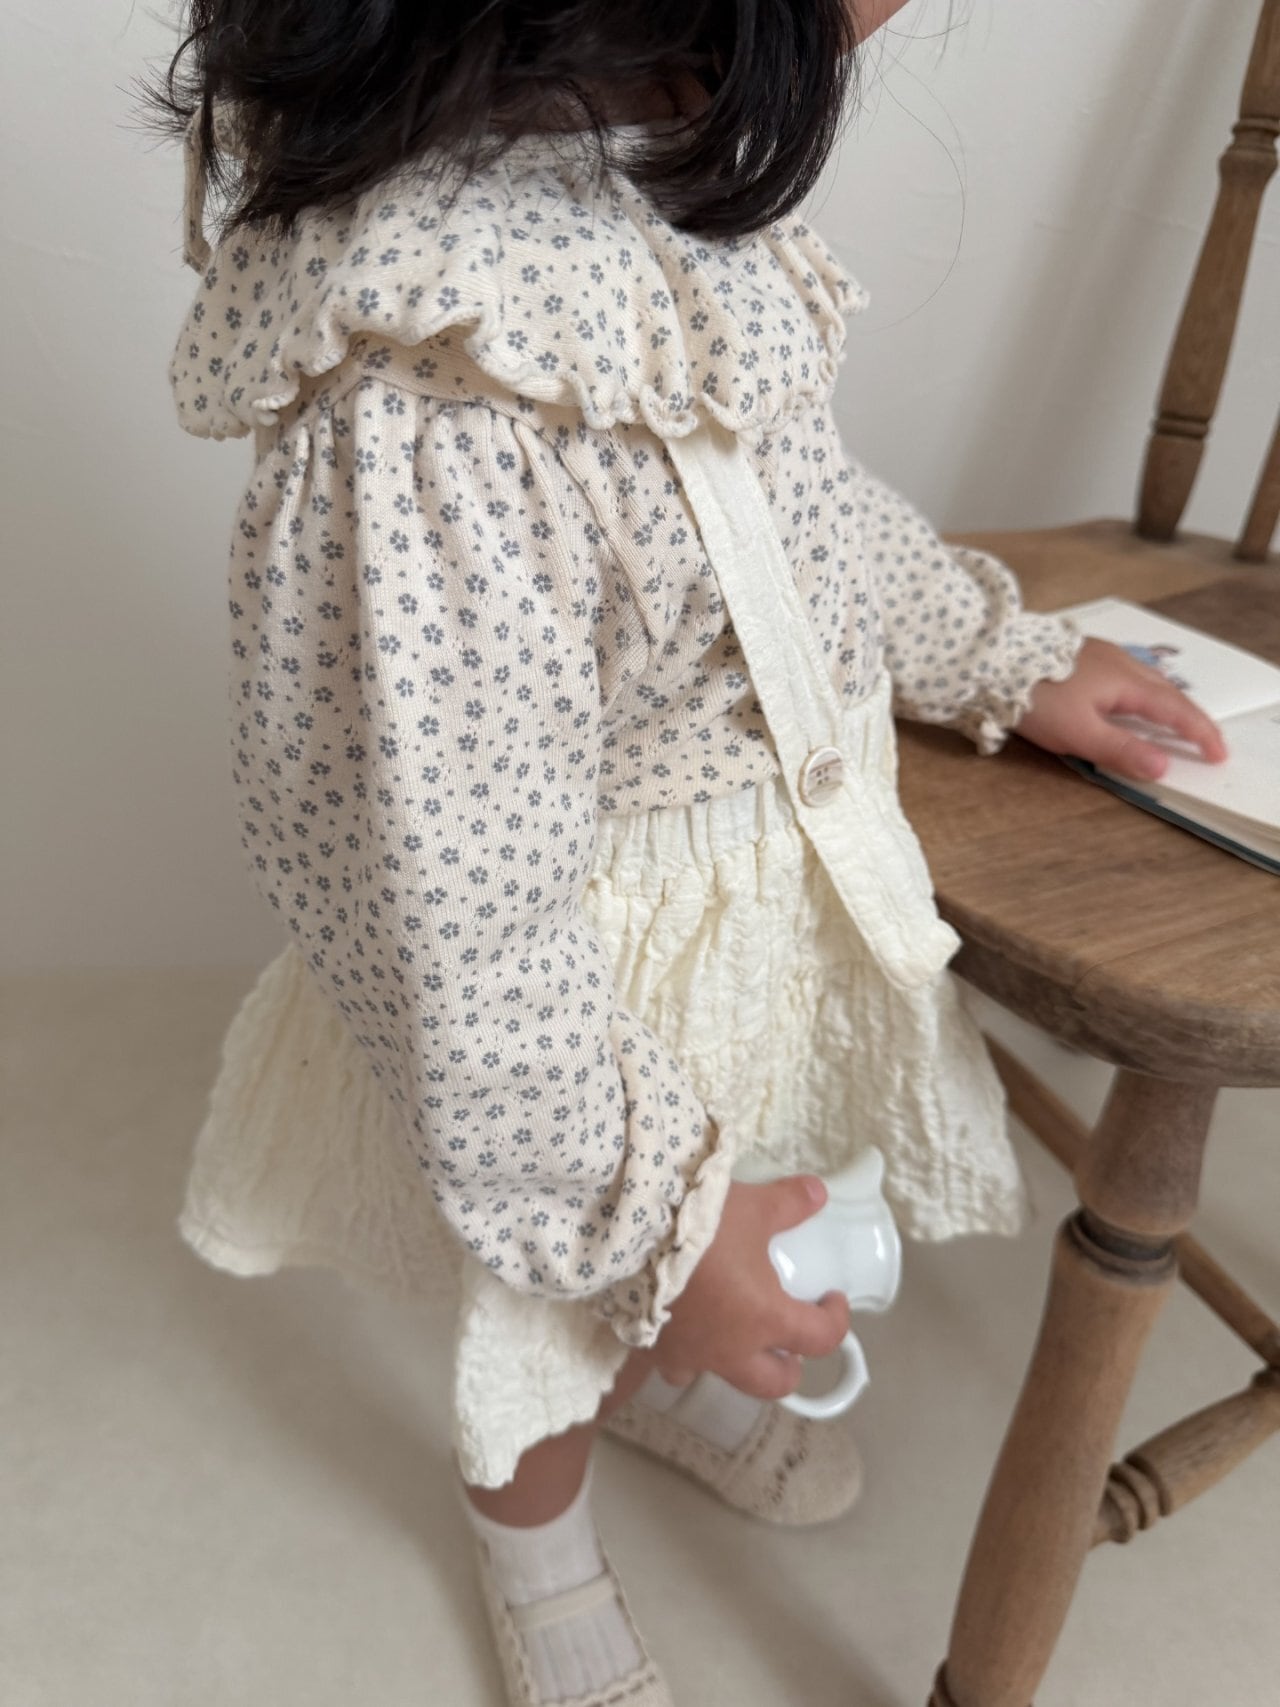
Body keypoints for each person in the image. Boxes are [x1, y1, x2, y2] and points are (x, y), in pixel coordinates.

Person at [149, 3, 1227, 1702]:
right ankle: (537, 1550)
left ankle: (667, 1351)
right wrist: (658, 1221)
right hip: (567, 1004)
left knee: (751, 1186)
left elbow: (801, 519)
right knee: (548, 1326)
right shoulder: (434, 395)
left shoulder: (650, 188)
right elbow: (466, 933)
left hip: (737, 915)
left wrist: (993, 657)